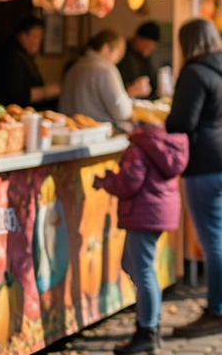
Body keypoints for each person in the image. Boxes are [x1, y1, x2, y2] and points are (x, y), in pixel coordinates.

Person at [166, 20, 222, 338]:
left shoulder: (194, 71)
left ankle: (217, 312)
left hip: (208, 163)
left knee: (213, 241)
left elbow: (181, 123)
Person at [93, 121, 189, 354]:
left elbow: (128, 184)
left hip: (143, 215)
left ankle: (147, 330)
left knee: (143, 271)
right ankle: (150, 323)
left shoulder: (138, 149)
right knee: (131, 265)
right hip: (153, 214)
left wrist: (105, 181)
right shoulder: (162, 146)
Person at [59, 30, 150, 126]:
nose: (118, 59)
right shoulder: (106, 69)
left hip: (70, 129)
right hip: (97, 132)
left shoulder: (74, 66)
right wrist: (131, 93)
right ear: (105, 48)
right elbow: (122, 111)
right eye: (118, 53)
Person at [0, 16, 61, 110]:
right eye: (35, 36)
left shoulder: (23, 55)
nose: (39, 41)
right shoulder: (12, 55)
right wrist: (46, 92)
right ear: (23, 35)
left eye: (40, 36)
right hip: (12, 112)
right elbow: (18, 95)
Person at [117, 22, 162, 102]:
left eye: (152, 47)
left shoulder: (145, 56)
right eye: (147, 45)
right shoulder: (122, 53)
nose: (150, 48)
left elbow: (153, 81)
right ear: (137, 39)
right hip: (126, 100)